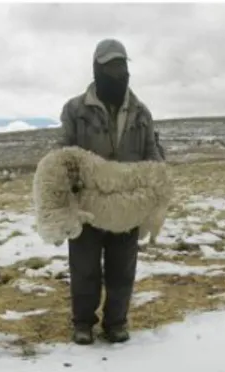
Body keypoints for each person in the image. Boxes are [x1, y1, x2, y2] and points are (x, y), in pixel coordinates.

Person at [56, 38, 164, 345]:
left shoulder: (141, 112)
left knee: (122, 269)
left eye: (122, 67)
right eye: (111, 68)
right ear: (97, 69)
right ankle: (83, 324)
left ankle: (116, 323)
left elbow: (151, 152)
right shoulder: (75, 109)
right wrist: (68, 179)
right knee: (84, 267)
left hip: (127, 206)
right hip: (87, 205)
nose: (118, 74)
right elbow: (64, 148)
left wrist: (156, 183)